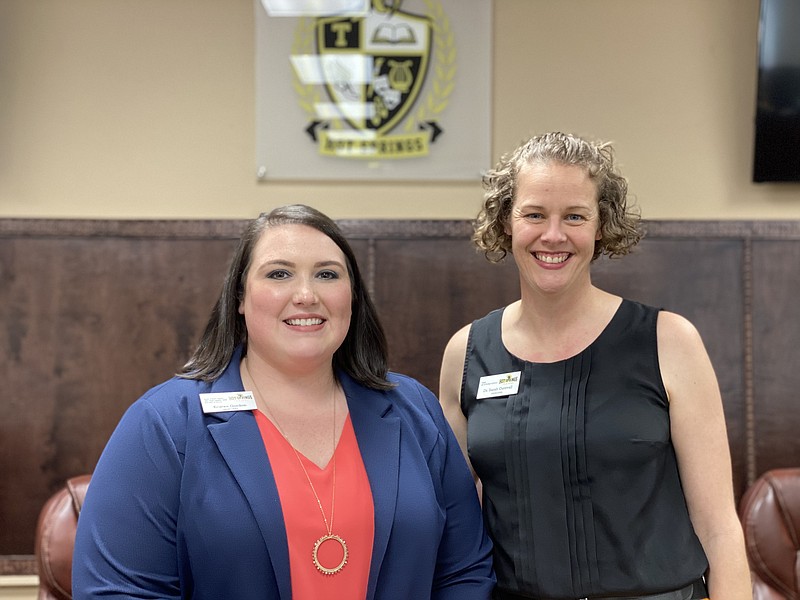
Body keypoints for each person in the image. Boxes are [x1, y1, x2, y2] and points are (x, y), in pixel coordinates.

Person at [73, 204, 494, 600]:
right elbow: (119, 591)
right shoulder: (164, 425)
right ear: (239, 298)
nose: (306, 294)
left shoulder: (414, 411)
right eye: (279, 274)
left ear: (353, 296)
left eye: (327, 275)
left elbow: (464, 572)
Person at [439, 132, 751, 600]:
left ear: (602, 224)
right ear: (507, 221)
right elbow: (457, 525)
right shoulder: (466, 353)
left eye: (575, 216)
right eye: (534, 214)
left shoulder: (669, 341)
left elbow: (719, 527)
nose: (553, 235)